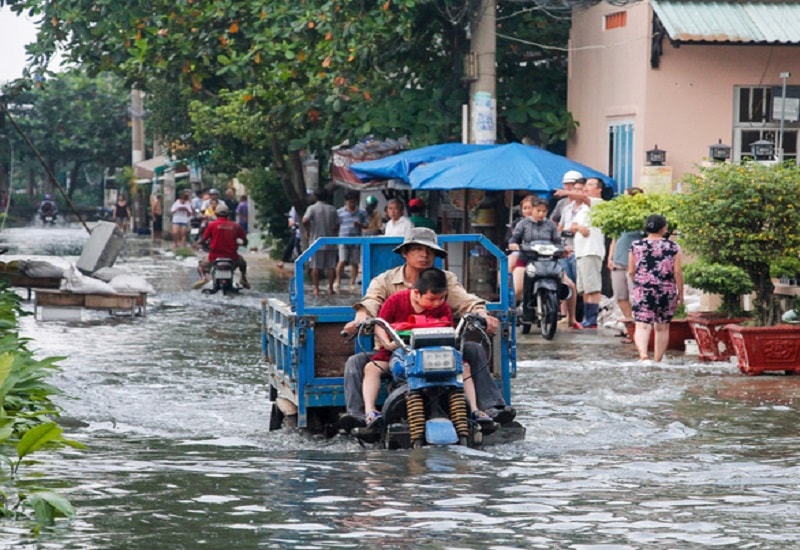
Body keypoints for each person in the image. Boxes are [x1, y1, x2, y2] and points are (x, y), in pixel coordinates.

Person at [339, 227, 516, 430]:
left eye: (430, 251)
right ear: (405, 253)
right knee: (355, 362)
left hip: (437, 353)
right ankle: (360, 416)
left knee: (473, 350)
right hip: (395, 351)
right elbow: (371, 303)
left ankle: (489, 408)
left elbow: (466, 301)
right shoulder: (385, 281)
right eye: (417, 249)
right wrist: (360, 318)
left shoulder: (445, 280)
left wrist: (482, 313)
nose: (424, 255)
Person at [362, 267, 493, 430]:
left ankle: (474, 409)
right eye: (432, 299)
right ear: (416, 293)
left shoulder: (442, 307)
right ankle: (370, 411)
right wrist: (387, 344)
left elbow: (449, 332)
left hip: (436, 356)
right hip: (399, 351)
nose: (437, 303)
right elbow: (380, 324)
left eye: (441, 298)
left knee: (464, 367)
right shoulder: (396, 301)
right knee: (371, 368)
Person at [508, 196, 578, 328]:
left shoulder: (550, 225)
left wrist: (564, 247)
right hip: (526, 259)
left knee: (571, 286)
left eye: (544, 211)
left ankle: (571, 319)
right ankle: (507, 316)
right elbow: (514, 239)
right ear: (532, 210)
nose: (541, 214)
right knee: (516, 289)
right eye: (538, 210)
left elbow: (558, 241)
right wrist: (514, 245)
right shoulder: (523, 224)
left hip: (548, 261)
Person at [628, 214, 683, 364]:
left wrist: (639, 284)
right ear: (664, 228)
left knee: (642, 324)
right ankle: (658, 360)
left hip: (643, 288)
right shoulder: (673, 247)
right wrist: (680, 293)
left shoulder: (636, 245)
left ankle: (644, 356)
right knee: (662, 326)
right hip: (666, 289)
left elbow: (631, 271)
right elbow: (677, 272)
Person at [558, 176, 606, 328]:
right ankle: (586, 317)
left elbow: (581, 227)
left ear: (599, 189)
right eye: (586, 184)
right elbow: (572, 227)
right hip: (580, 251)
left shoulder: (598, 203)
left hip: (591, 250)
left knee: (593, 287)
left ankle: (592, 319)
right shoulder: (583, 209)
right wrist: (578, 228)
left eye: (591, 184)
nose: (586, 187)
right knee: (584, 288)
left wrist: (566, 192)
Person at [607, 187, 644, 333]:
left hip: (634, 261)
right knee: (620, 295)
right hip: (618, 259)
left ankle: (639, 326)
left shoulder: (641, 217)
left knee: (635, 295)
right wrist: (610, 257)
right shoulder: (620, 216)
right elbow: (615, 238)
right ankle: (630, 326)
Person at [196, 202, 250, 289]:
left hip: (213, 258)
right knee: (243, 263)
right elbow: (245, 241)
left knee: (200, 265)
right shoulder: (236, 226)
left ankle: (203, 278)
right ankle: (243, 278)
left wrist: (198, 244)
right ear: (228, 214)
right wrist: (240, 243)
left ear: (216, 214)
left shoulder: (212, 225)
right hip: (232, 258)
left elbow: (203, 240)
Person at [302, 188, 339, 296]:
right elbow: (337, 224)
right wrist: (333, 231)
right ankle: (330, 288)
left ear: (315, 197)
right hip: (330, 241)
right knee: (331, 266)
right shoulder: (332, 209)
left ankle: (316, 288)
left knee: (315, 266)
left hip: (316, 241)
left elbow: (305, 220)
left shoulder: (312, 208)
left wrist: (308, 230)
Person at [335, 190, 367, 291]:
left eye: (353, 202)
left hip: (356, 239)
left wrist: (360, 225)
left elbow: (367, 224)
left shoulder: (362, 212)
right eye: (349, 202)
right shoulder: (339, 212)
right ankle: (338, 281)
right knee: (342, 260)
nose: (351, 204)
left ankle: (352, 282)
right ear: (346, 202)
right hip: (343, 238)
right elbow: (336, 225)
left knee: (355, 262)